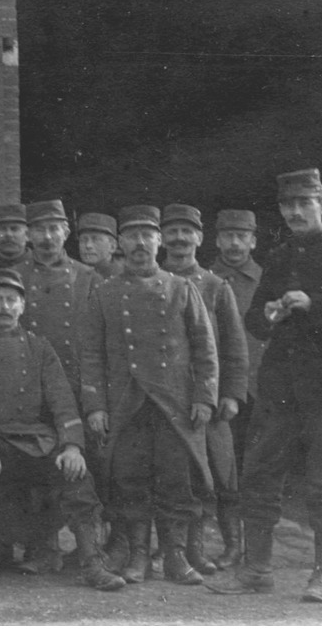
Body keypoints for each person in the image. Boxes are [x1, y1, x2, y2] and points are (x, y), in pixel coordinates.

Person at [208, 168, 322, 604]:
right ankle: (257, 570)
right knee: (260, 474)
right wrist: (267, 315)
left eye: (305, 204)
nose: (296, 212)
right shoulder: (280, 257)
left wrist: (314, 304)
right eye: (288, 206)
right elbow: (253, 320)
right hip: (280, 386)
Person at [0, 268, 126, 592]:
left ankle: (92, 564)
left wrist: (72, 447)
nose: (4, 306)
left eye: (11, 300)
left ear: (22, 307)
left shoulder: (39, 348)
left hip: (34, 440)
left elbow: (62, 401)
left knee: (77, 475)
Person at [81, 205, 218, 587]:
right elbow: (90, 353)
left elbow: (205, 347)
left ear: (159, 241)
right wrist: (95, 406)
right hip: (126, 402)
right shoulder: (105, 293)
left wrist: (204, 397)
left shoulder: (181, 288)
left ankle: (174, 556)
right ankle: (139, 555)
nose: (140, 243)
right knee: (130, 480)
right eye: (133, 236)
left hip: (172, 401)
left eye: (147, 235)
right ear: (121, 243)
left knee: (176, 480)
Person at [160, 203, 250, 575]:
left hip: (208, 399)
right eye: (173, 232)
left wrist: (231, 393)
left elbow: (234, 345)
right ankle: (171, 550)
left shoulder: (215, 286)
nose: (180, 239)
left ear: (199, 238)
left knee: (220, 473)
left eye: (187, 232)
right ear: (162, 238)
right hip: (165, 398)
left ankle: (226, 546)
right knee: (170, 474)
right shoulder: (153, 281)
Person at [16, 198, 100, 573]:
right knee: (38, 470)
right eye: (39, 229)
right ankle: (43, 546)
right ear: (28, 235)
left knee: (83, 467)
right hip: (28, 388)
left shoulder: (88, 278)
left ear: (66, 232)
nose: (47, 237)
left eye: (54, 229)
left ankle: (90, 550)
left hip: (77, 385)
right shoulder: (14, 276)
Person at [210, 208, 264, 478]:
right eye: (227, 236)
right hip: (216, 383)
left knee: (260, 452)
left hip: (258, 381)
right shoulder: (203, 280)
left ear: (253, 241)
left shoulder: (268, 281)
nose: (234, 243)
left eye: (241, 236)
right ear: (217, 240)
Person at [77, 212, 122, 278]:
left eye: (96, 240)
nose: (88, 245)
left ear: (112, 246)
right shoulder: (72, 276)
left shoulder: (123, 277)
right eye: (83, 240)